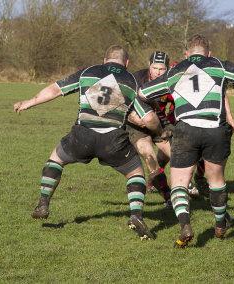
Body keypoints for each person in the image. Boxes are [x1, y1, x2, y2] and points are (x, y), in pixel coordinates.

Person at [139, 34, 234, 248]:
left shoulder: (175, 71)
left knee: (179, 183)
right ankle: (219, 223)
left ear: (186, 54)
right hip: (214, 130)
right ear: (208, 53)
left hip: (185, 129)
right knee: (216, 180)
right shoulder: (219, 65)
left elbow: (143, 93)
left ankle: (185, 224)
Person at [13, 45, 166, 240]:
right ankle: (135, 215)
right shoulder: (132, 81)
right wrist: (159, 131)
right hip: (113, 142)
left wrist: (29, 102)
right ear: (127, 63)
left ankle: (43, 203)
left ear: (104, 60)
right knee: (135, 172)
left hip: (82, 136)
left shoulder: (88, 72)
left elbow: (55, 90)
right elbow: (149, 118)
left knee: (56, 159)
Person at [127, 51, 173, 207]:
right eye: (155, 68)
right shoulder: (136, 78)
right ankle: (168, 198)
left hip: (160, 121)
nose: (158, 72)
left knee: (178, 156)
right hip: (137, 124)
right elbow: (123, 101)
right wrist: (131, 118)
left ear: (167, 68)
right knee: (150, 158)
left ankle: (188, 185)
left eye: (162, 68)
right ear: (149, 66)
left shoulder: (171, 80)